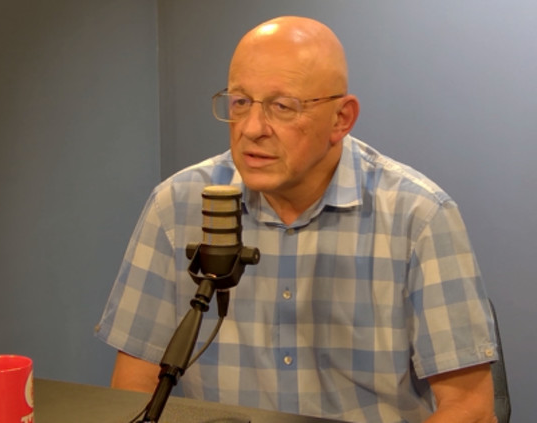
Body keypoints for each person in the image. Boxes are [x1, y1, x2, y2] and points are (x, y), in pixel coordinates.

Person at [96, 16, 498, 423]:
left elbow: (471, 408)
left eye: (282, 107)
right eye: (240, 102)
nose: (252, 129)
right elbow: (135, 386)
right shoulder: (176, 206)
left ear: (341, 119)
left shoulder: (419, 216)